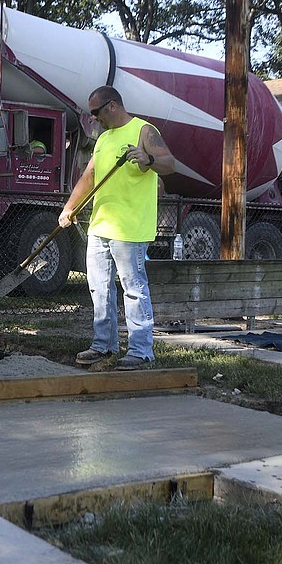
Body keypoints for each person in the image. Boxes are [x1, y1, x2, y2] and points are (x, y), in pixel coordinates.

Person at [58, 86, 175, 371]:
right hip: (100, 225)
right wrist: (70, 207)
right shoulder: (104, 139)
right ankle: (104, 345)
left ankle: (141, 350)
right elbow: (90, 175)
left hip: (130, 228)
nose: (94, 119)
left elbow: (170, 164)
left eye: (96, 113)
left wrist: (148, 160)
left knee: (133, 290)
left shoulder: (144, 131)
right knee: (99, 288)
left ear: (112, 106)